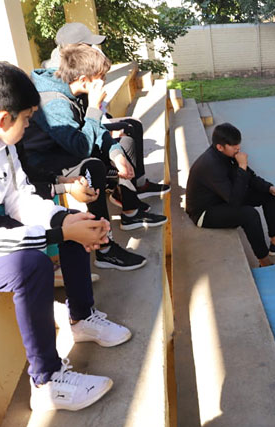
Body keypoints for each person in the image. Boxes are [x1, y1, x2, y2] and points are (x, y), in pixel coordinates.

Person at [0, 58, 131, 411]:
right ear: (4, 118)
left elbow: (19, 196)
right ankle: (47, 382)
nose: (31, 123)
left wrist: (66, 223)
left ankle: (82, 317)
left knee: (70, 220)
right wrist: (57, 232)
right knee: (31, 265)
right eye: (29, 117)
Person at [21, 44, 167, 270]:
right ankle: (105, 249)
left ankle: (130, 209)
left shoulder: (72, 88)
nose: (104, 82)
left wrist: (117, 155)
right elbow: (81, 147)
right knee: (93, 167)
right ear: (83, 79)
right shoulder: (56, 102)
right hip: (43, 162)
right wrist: (94, 106)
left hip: (64, 148)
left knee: (121, 145)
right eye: (101, 77)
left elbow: (93, 128)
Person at [42, 22, 169, 201]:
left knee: (128, 130)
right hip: (69, 153)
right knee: (118, 145)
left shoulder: (78, 79)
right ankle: (127, 202)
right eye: (88, 45)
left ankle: (135, 189)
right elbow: (81, 144)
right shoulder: (61, 90)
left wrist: (115, 152)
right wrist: (96, 110)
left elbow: (91, 120)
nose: (93, 48)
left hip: (85, 132)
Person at [185, 122, 275, 266]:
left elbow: (249, 177)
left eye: (238, 144)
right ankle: (264, 260)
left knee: (268, 195)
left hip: (223, 197)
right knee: (249, 215)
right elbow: (235, 201)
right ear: (220, 147)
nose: (238, 148)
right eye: (234, 146)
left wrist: (270, 188)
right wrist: (242, 166)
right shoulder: (211, 165)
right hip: (205, 212)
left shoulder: (226, 154)